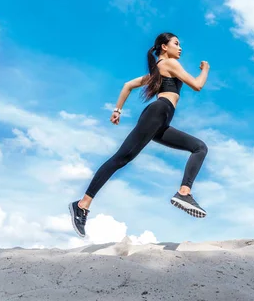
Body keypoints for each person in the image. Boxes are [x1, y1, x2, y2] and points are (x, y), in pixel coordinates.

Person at [69, 32, 210, 237]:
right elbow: (197, 85)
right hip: (158, 113)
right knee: (121, 158)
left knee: (199, 147)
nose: (180, 48)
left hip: (161, 120)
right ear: (164, 47)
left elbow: (128, 85)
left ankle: (184, 193)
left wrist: (117, 110)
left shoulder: (157, 72)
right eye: (176, 44)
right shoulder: (170, 63)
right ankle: (82, 205)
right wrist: (205, 70)